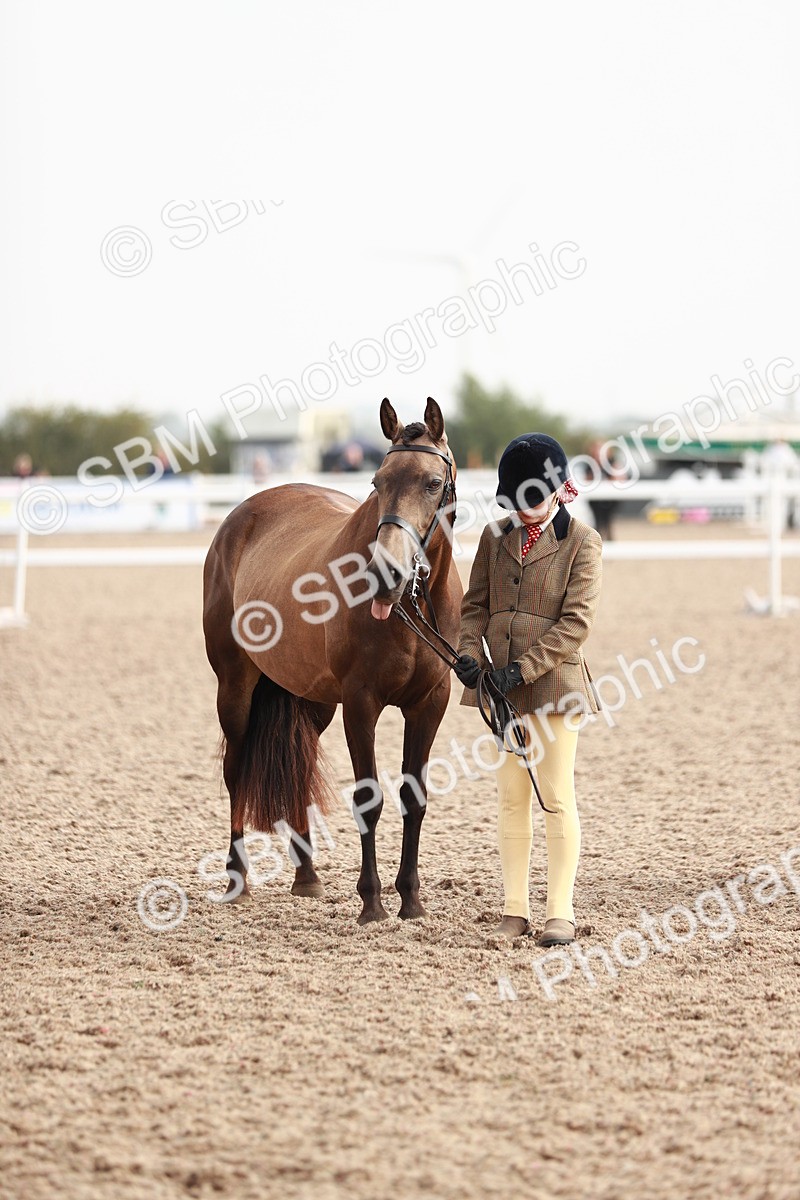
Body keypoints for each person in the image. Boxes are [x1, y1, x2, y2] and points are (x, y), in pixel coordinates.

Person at [454, 434, 603, 947]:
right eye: (515, 501)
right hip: (502, 691)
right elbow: (473, 606)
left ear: (559, 490)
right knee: (511, 798)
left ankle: (559, 911)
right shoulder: (494, 538)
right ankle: (514, 909)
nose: (523, 510)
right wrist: (470, 656)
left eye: (532, 499)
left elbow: (576, 625)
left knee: (556, 796)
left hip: (554, 686)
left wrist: (520, 669)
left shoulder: (582, 543)